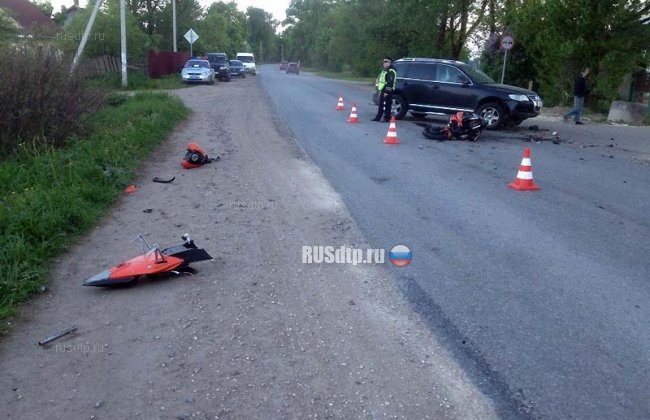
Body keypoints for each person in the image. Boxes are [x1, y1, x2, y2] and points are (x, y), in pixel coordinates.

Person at [373, 57, 397, 122]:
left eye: (386, 61)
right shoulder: (385, 70)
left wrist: (387, 91)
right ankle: (378, 117)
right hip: (383, 88)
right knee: (381, 104)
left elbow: (390, 82)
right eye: (384, 61)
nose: (384, 63)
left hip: (388, 90)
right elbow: (381, 78)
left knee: (387, 104)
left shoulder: (391, 71)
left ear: (390, 63)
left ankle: (387, 118)